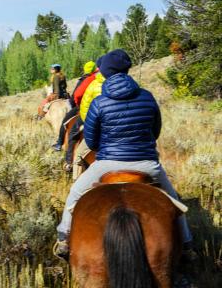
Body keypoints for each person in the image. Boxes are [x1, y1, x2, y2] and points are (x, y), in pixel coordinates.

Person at [53, 49, 193, 258]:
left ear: (106, 72)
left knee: (75, 193)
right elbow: (155, 131)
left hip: (108, 163)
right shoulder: (147, 96)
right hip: (147, 163)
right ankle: (188, 245)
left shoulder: (99, 102)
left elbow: (91, 140)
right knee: (174, 201)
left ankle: (64, 237)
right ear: (127, 69)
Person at [52, 61, 97, 152]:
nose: (51, 70)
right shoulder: (98, 78)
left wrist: (73, 104)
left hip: (82, 107)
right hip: (97, 107)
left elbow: (76, 95)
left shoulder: (84, 79)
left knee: (65, 122)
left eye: (52, 68)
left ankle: (60, 144)